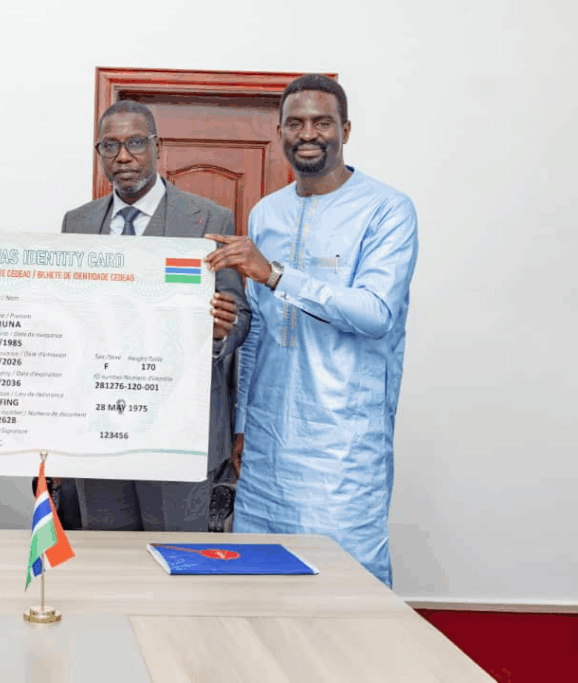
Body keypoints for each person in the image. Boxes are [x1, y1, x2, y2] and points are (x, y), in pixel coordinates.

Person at [204, 74, 419, 586]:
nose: (308, 133)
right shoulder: (267, 212)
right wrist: (242, 422)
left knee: (344, 588)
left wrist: (277, 274)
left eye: (322, 122)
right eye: (295, 123)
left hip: (343, 443)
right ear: (279, 131)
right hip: (266, 444)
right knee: (260, 585)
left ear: (345, 129)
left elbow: (376, 313)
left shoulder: (387, 209)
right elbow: (259, 329)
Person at [62, 99, 250, 532]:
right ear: (99, 153)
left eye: (134, 143)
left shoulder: (208, 218)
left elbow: (240, 313)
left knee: (175, 559)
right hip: (99, 429)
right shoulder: (78, 223)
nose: (123, 156)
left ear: (157, 147)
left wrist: (221, 331)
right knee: (107, 558)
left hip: (179, 431)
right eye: (110, 146)